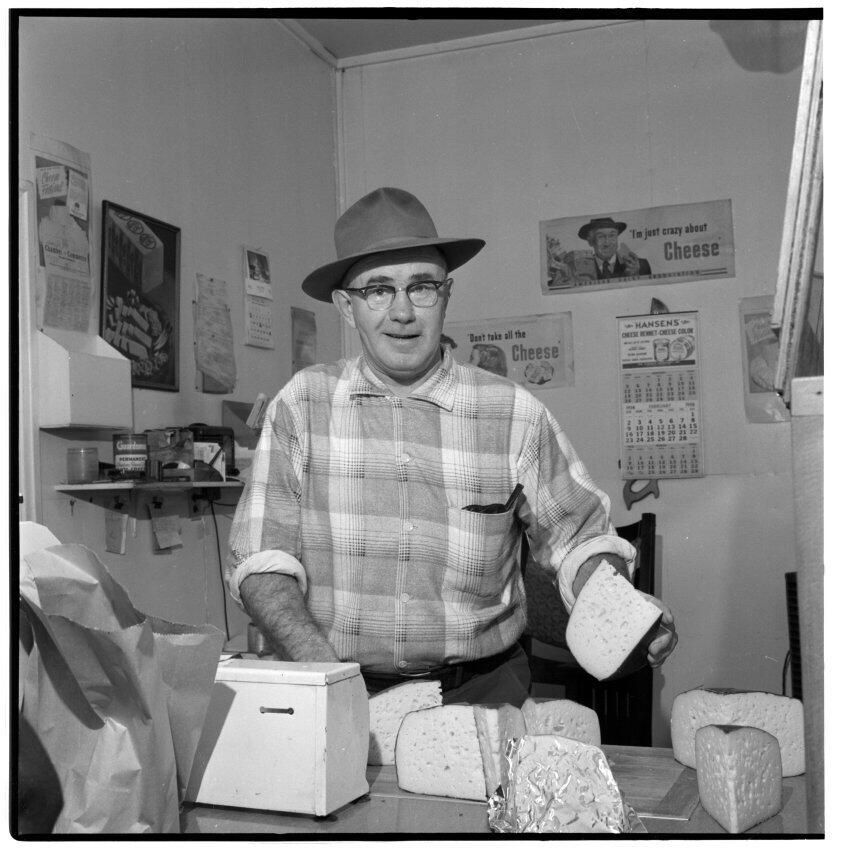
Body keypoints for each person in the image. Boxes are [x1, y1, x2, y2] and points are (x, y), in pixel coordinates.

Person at [228, 187, 677, 707]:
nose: (402, 312)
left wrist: (622, 609)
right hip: (335, 684)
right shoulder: (301, 404)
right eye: (378, 290)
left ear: (446, 294)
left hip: (481, 693)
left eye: (421, 287)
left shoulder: (514, 413)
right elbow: (261, 558)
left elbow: (580, 538)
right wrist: (325, 675)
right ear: (347, 308)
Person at [578, 216, 652, 279]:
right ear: (590, 241)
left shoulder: (641, 266)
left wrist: (635, 277)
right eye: (600, 237)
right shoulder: (580, 270)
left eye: (612, 236)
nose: (607, 243)